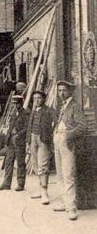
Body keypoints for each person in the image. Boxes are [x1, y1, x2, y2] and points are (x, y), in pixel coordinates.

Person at [52, 80, 87, 221]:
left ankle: (71, 208)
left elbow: (83, 126)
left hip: (68, 144)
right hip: (58, 141)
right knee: (60, 174)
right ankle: (65, 203)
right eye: (59, 90)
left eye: (64, 90)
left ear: (70, 91)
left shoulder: (75, 106)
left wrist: (68, 134)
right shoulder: (63, 106)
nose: (61, 93)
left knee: (68, 175)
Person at [0, 95, 30, 191]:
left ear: (21, 103)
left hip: (19, 141)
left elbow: (27, 128)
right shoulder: (13, 114)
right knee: (8, 162)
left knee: (20, 163)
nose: (15, 105)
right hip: (11, 141)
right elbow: (10, 127)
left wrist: (18, 135)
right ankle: (6, 183)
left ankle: (20, 184)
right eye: (14, 104)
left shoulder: (26, 113)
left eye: (17, 103)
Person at [27, 90, 55, 205]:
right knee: (36, 165)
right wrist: (28, 140)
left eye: (39, 98)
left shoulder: (49, 110)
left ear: (44, 99)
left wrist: (51, 133)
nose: (36, 100)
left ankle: (44, 192)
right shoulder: (33, 111)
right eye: (34, 98)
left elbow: (58, 121)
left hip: (43, 140)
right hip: (33, 139)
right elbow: (30, 126)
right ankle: (41, 189)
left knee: (43, 165)